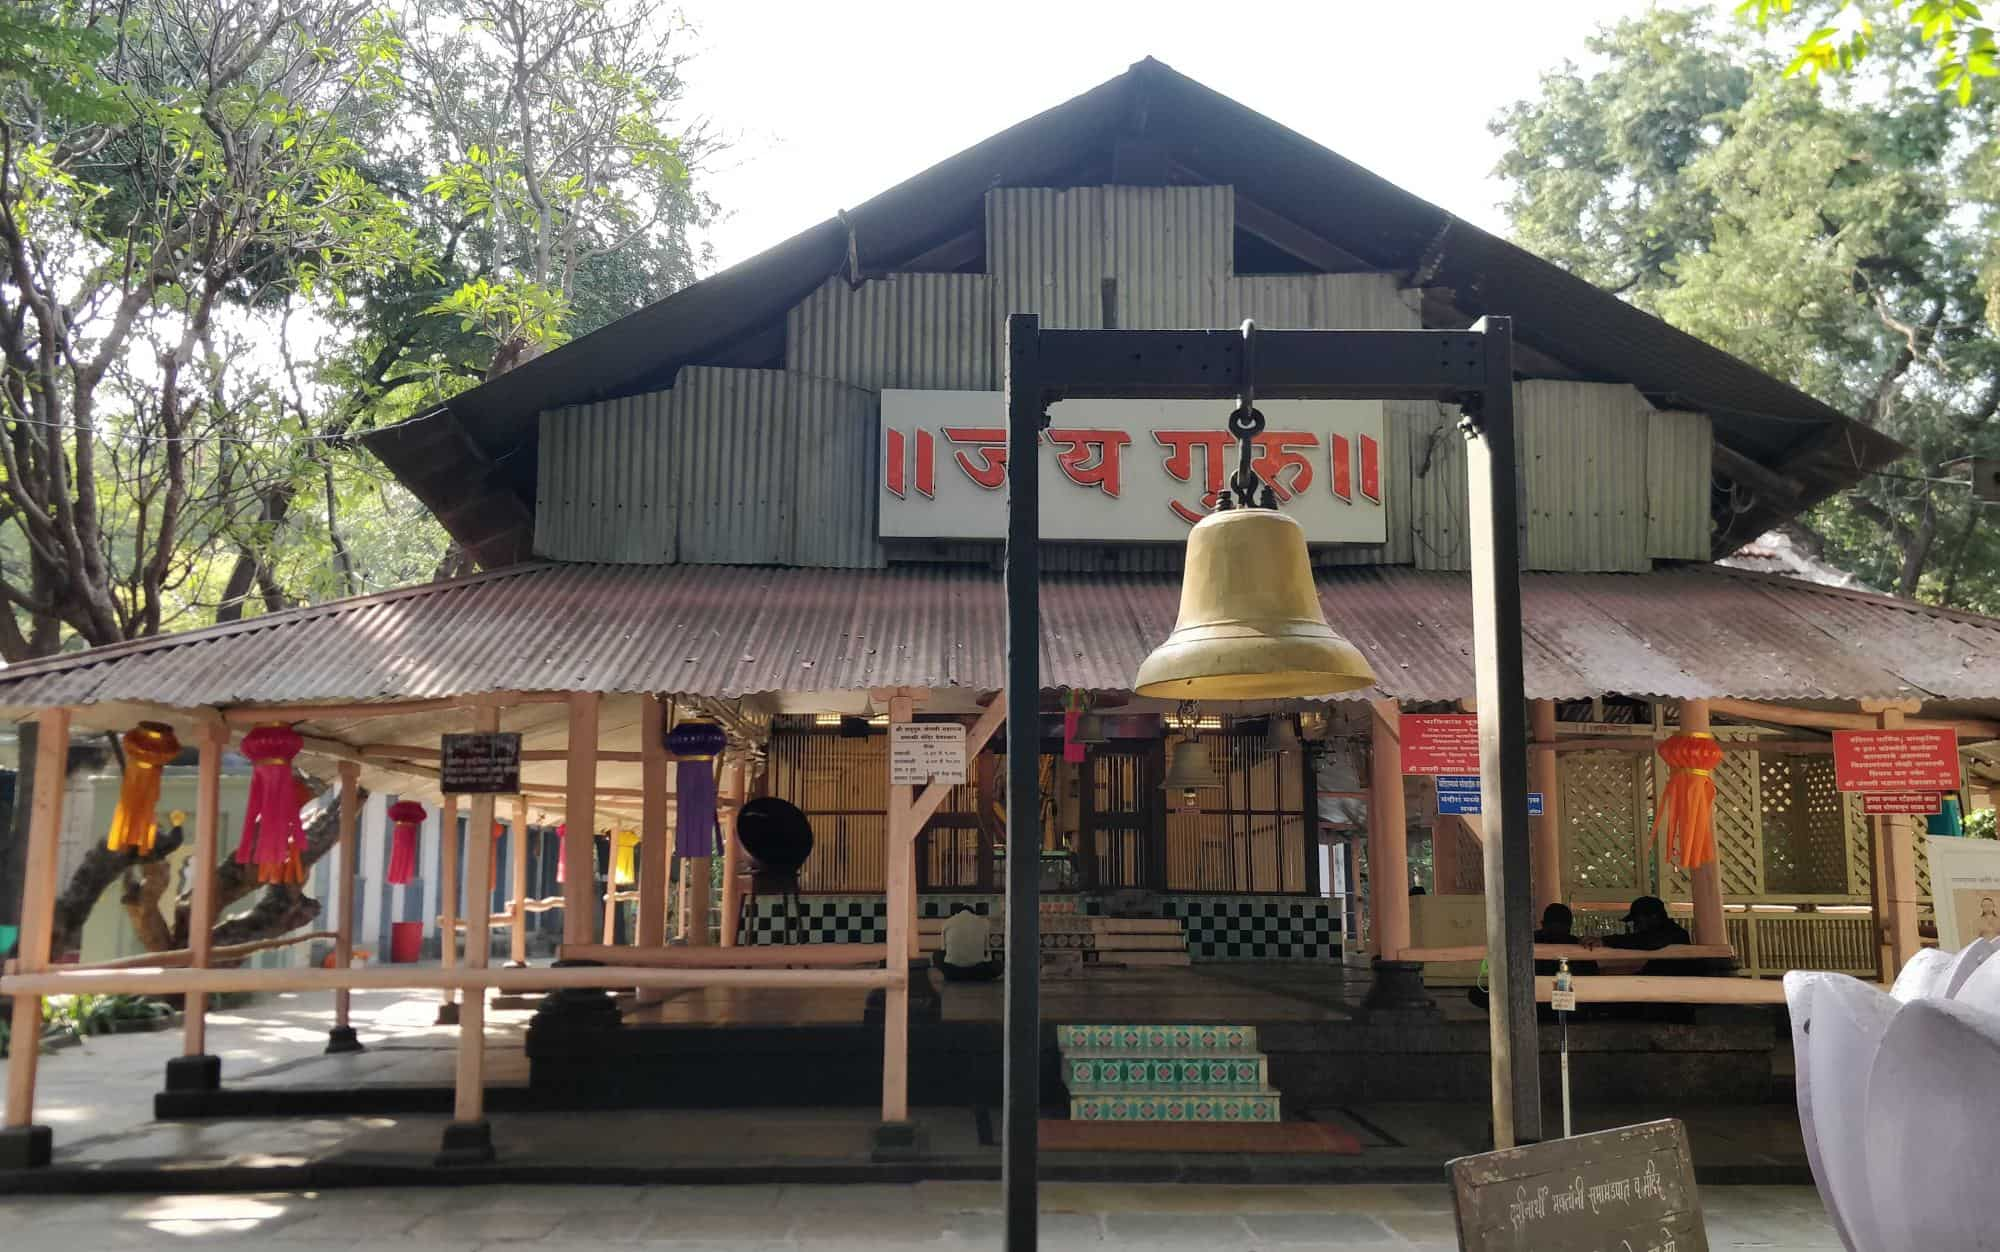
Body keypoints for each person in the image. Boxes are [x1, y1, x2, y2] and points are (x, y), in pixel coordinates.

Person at [937, 904, 1000, 982]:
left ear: (957, 913)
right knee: (998, 964)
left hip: (953, 971)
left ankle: (953, 976)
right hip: (978, 970)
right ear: (974, 913)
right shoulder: (984, 922)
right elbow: (987, 949)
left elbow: (943, 949)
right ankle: (978, 976)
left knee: (937, 955)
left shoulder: (947, 922)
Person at [1532, 903, 1596, 977]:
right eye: (1552, 930)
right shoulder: (1579, 945)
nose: (1556, 936)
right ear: (1570, 927)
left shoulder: (1530, 941)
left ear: (1543, 924)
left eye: (1560, 929)